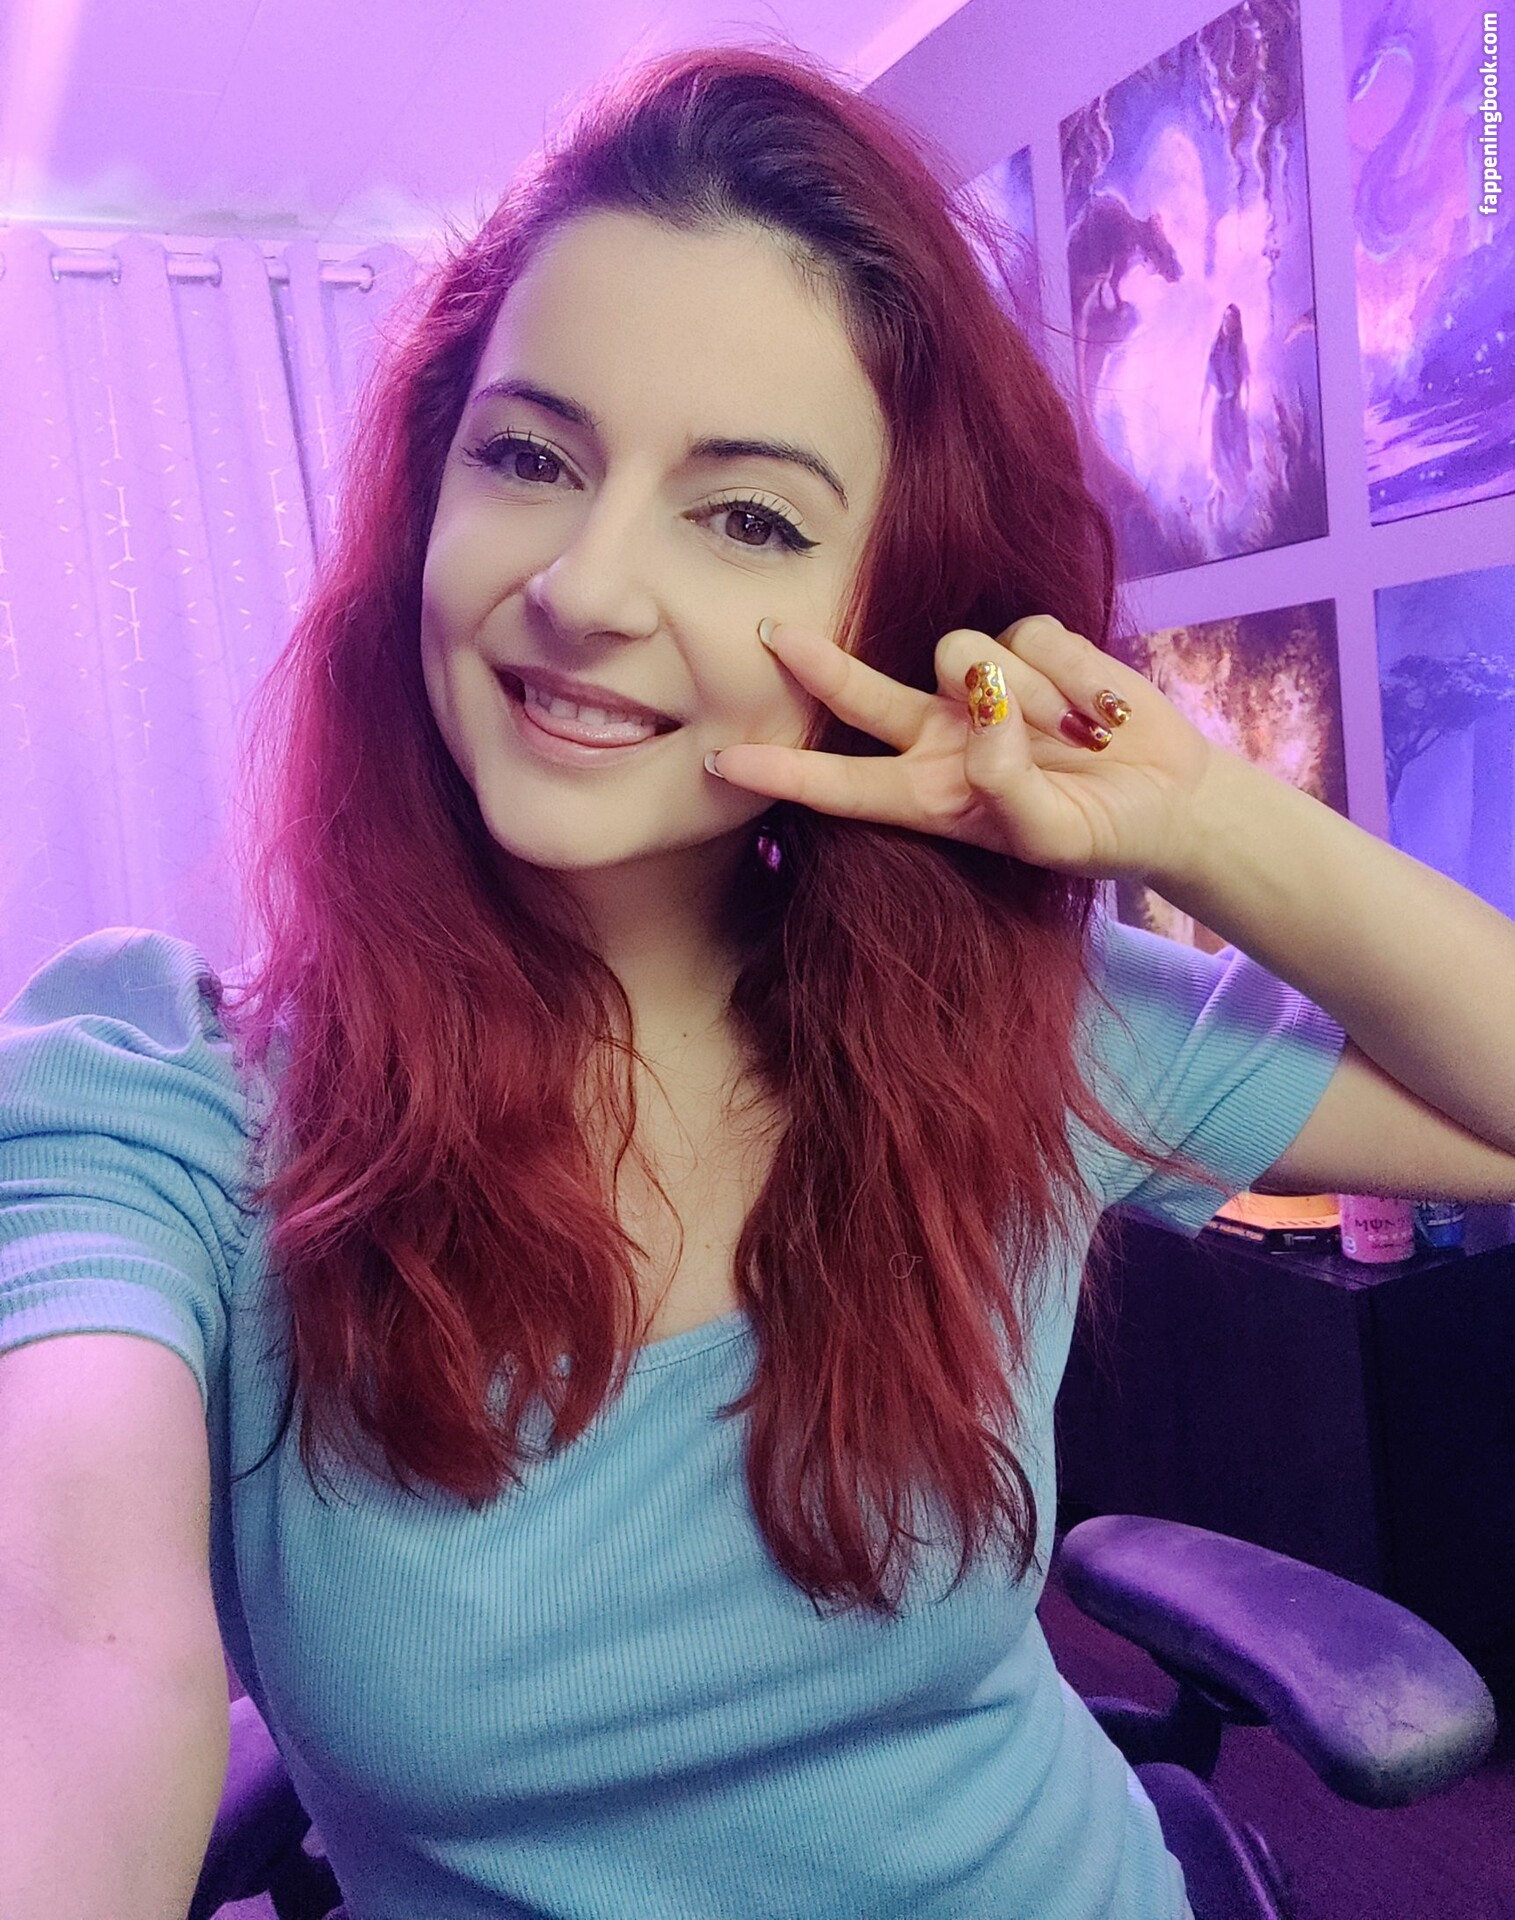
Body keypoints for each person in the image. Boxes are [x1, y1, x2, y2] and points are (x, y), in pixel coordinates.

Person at [2, 42, 1513, 1920]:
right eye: (529, 457)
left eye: (748, 518)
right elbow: (67, 1667)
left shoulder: (1011, 1030)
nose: (585, 586)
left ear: (888, 613)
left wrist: (1196, 816)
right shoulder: (166, 1099)